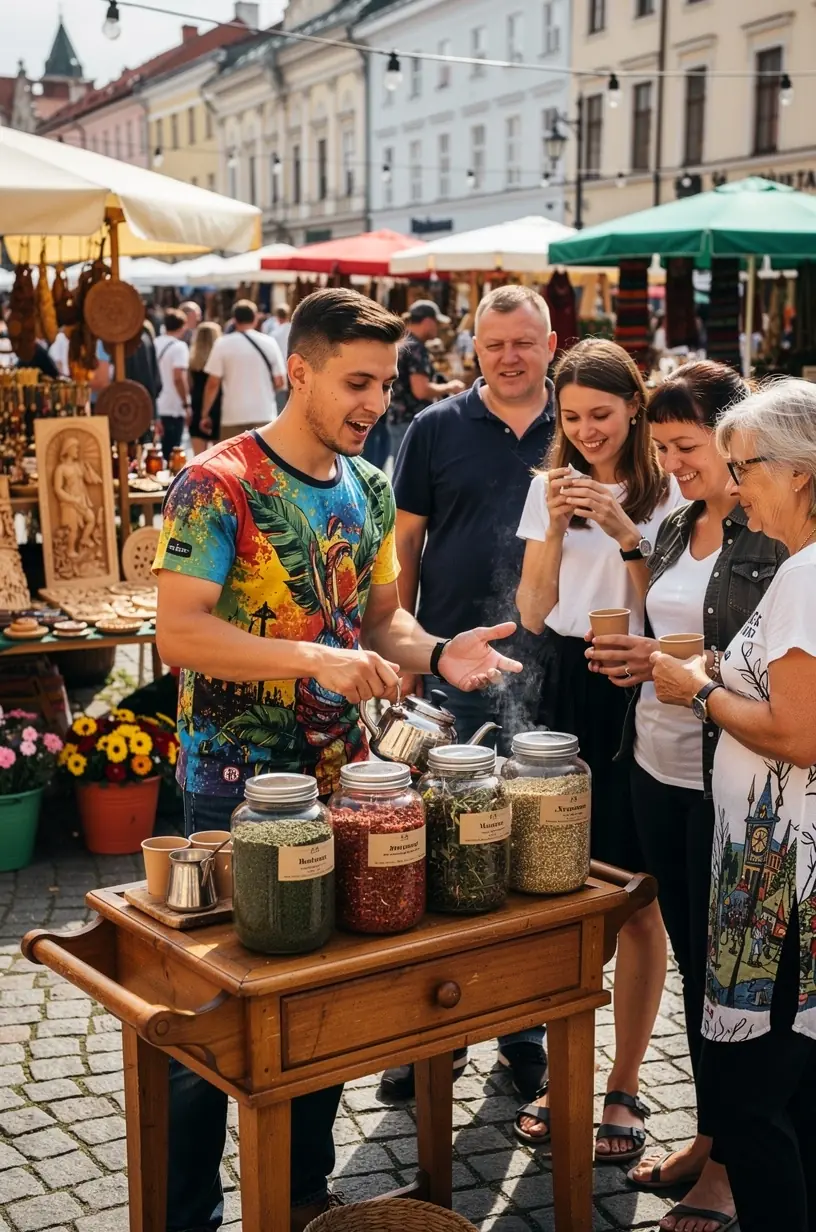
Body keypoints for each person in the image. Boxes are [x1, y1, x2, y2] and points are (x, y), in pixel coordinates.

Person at [153, 287, 523, 1232]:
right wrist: (316, 658)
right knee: (207, 1022)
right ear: (299, 372)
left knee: (319, 1009)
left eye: (385, 384)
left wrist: (439, 653)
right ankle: (187, 1213)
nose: (375, 402)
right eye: (357, 382)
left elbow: (382, 622)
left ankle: (300, 1196)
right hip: (231, 794)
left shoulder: (369, 485)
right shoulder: (218, 481)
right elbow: (180, 634)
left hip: (345, 789)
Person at [587, 363, 785, 1232]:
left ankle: (733, 1169)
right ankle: (712, 1135)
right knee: (698, 970)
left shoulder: (771, 533)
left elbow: (766, 668)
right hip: (656, 767)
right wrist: (636, 652)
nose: (672, 463)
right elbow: (662, 617)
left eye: (687, 446)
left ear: (737, 442)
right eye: (662, 447)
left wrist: (681, 672)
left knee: (732, 984)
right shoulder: (675, 522)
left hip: (730, 782)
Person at [651, 377, 816, 1232]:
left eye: (745, 467)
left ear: (799, 473)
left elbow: (797, 734)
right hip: (787, 869)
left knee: (752, 1102)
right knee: (796, 1094)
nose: (736, 485)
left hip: (781, 883)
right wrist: (718, 670)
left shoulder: (804, 576)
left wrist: (697, 691)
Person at [387, 284, 558, 1104]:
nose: (509, 357)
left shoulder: (580, 424)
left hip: (556, 672)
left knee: (533, 853)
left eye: (523, 342)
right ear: (475, 350)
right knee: (442, 850)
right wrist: (406, 652)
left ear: (550, 345)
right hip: (455, 670)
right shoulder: (433, 427)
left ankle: (522, 1030)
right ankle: (435, 1033)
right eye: (495, 345)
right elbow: (403, 546)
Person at [514, 337, 683, 1162]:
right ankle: (563, 1073)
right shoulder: (547, 485)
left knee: (637, 897)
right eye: (573, 416)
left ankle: (623, 1080)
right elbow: (533, 611)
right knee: (560, 889)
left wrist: (623, 530)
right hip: (563, 685)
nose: (587, 431)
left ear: (636, 407)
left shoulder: (671, 488)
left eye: (602, 415)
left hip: (638, 685)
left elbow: (674, 609)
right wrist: (553, 525)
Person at [388, 300, 465, 460]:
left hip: (397, 417)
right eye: (436, 323)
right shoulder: (416, 348)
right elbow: (421, 390)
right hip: (411, 420)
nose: (438, 328)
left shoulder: (401, 342)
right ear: (428, 322)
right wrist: (450, 387)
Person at [200, 298, 286, 440]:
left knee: (233, 454)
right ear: (255, 318)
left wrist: (205, 413)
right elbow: (280, 382)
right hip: (263, 413)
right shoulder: (269, 342)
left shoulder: (223, 344)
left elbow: (213, 383)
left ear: (234, 320)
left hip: (233, 415)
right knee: (262, 454)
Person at [155, 308, 190, 461]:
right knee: (173, 453)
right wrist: (186, 403)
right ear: (182, 326)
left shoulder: (155, 342)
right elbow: (178, 378)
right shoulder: (179, 347)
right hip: (173, 406)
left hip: (157, 403)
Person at [189, 322, 222, 454]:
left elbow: (190, 384)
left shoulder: (192, 361)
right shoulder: (220, 360)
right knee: (220, 456)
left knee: (198, 456)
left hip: (197, 404)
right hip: (218, 405)